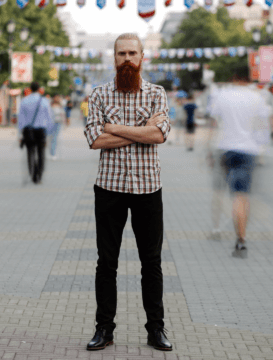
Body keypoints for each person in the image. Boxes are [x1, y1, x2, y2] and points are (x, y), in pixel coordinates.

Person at [83, 33, 172, 352]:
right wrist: (141, 131)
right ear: (114, 57)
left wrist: (114, 128)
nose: (127, 59)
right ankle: (104, 328)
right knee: (106, 262)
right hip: (109, 188)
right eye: (121, 53)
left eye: (133, 53)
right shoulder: (99, 94)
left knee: (152, 262)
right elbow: (94, 140)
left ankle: (156, 329)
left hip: (148, 188)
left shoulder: (156, 93)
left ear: (143, 57)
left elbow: (160, 135)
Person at [207, 82, 270, 255]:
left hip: (225, 148)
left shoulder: (222, 95)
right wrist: (262, 149)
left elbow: (214, 123)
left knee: (225, 192)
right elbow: (263, 127)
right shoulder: (258, 97)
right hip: (248, 150)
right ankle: (241, 239)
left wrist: (209, 150)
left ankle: (218, 227)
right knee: (242, 195)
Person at [17, 82, 53, 184]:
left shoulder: (24, 101)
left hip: (28, 131)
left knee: (30, 152)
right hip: (41, 131)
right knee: (41, 153)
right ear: (39, 89)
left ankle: (32, 174)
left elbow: (21, 120)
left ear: (30, 89)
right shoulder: (44, 101)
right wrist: (49, 133)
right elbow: (49, 117)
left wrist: (20, 134)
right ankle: (39, 176)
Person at [49, 95, 65, 160]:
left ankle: (53, 153)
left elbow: (63, 114)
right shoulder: (50, 105)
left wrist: (64, 122)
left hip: (58, 123)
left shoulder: (60, 106)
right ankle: (51, 152)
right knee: (50, 138)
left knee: (55, 138)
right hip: (51, 123)